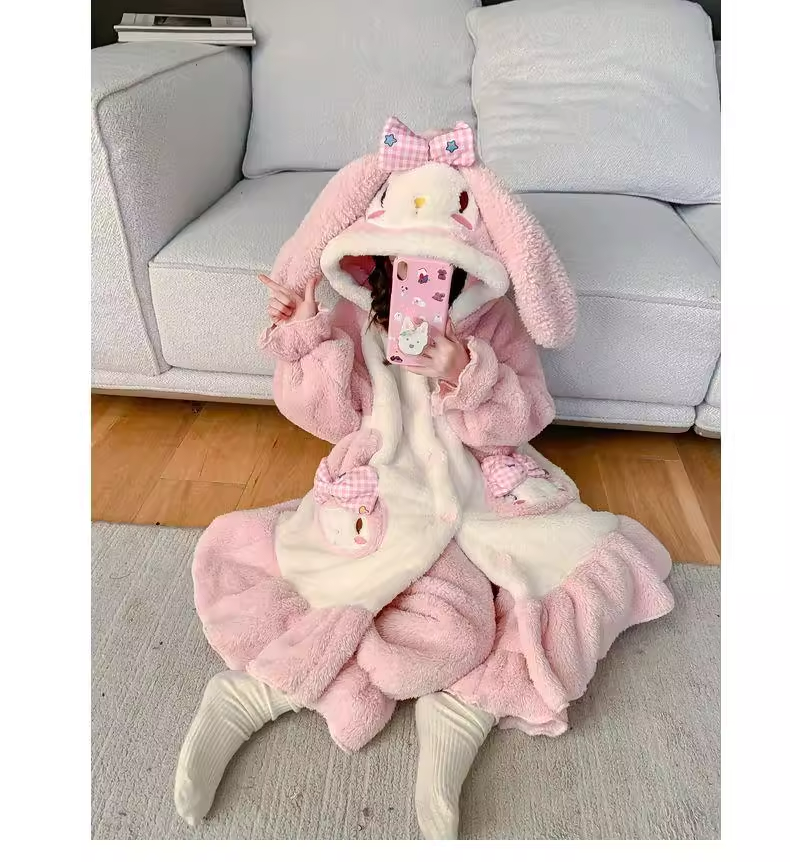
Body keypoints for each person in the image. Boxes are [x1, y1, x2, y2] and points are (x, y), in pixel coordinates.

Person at [174, 118, 674, 838]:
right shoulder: (355, 318)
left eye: (437, 263)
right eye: (401, 261)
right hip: (386, 480)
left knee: (576, 569)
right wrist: (309, 336)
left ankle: (463, 710)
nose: (419, 279)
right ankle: (254, 694)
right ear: (375, 259)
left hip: (479, 483)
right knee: (356, 582)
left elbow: (530, 412)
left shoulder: (493, 323)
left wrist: (467, 374)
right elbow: (330, 417)